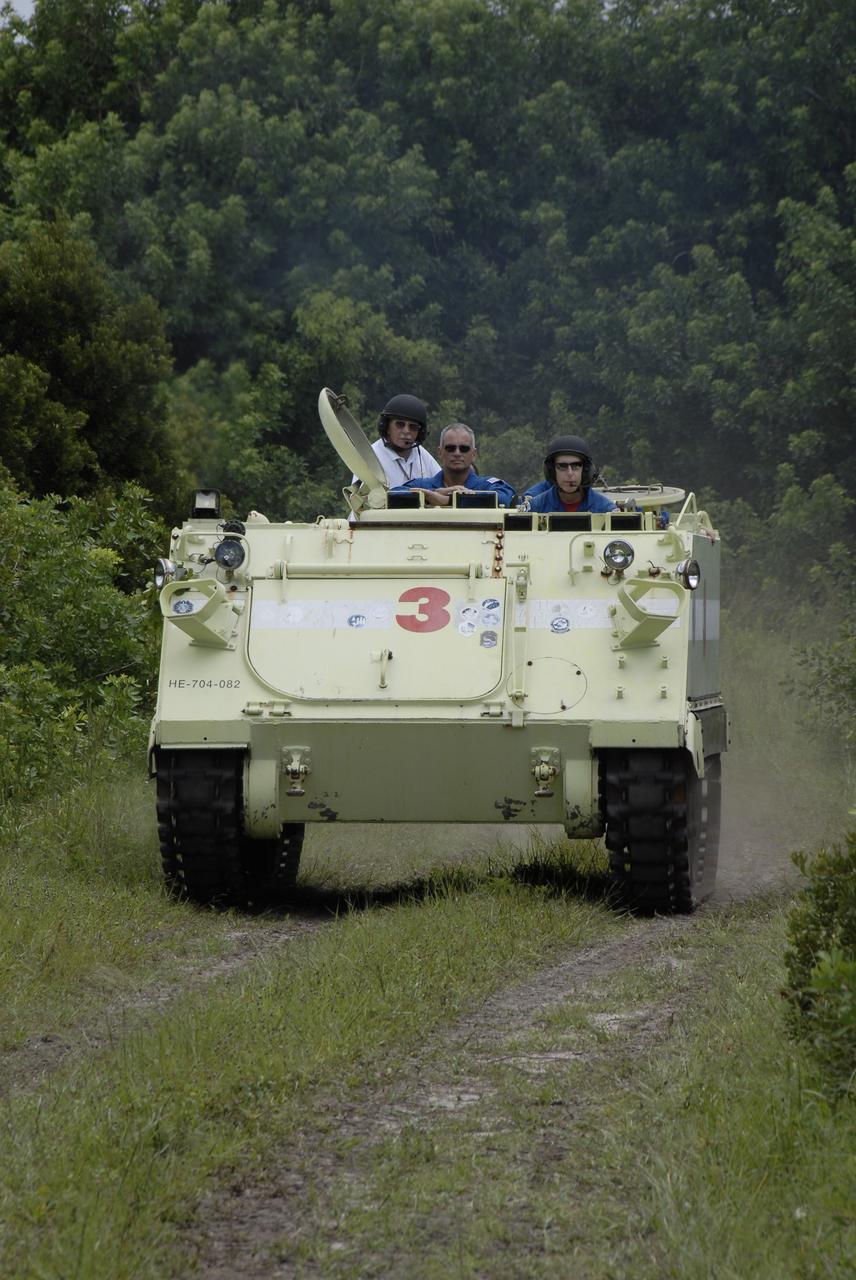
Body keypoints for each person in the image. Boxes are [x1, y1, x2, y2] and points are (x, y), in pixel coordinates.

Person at [393, 423, 515, 507]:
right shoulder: (423, 485)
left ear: (473, 454)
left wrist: (449, 499)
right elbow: (393, 496)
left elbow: (504, 498)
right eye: (450, 448)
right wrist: (434, 494)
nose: (457, 453)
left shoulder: (486, 485)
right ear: (440, 452)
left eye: (464, 448)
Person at [354, 394, 438, 488]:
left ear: (420, 432)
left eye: (413, 427)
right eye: (400, 424)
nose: (406, 431)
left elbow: (441, 484)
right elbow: (358, 498)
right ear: (386, 427)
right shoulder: (370, 457)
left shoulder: (422, 454)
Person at [524, 435, 616, 513]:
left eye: (576, 466)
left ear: (585, 471)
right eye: (562, 466)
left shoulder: (605, 510)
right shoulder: (535, 508)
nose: (569, 473)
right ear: (552, 470)